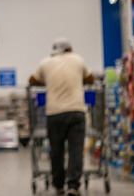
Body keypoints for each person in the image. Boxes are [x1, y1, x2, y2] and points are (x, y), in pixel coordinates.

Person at [29, 37, 95, 196]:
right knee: (75, 149)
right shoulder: (78, 59)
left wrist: (49, 81)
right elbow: (91, 79)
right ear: (69, 49)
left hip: (54, 113)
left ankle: (58, 185)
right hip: (76, 111)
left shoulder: (46, 62)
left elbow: (32, 80)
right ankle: (73, 185)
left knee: (56, 150)